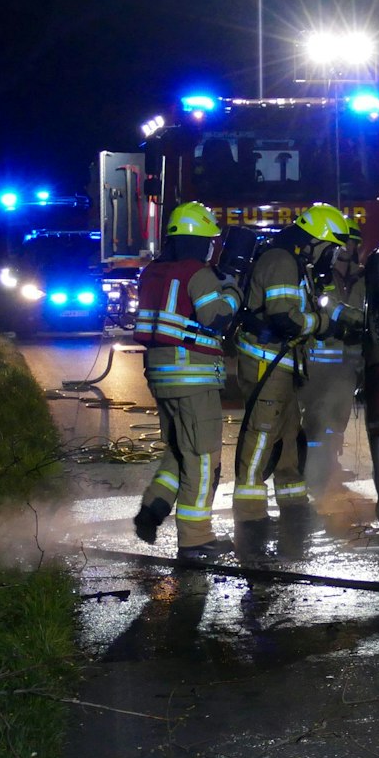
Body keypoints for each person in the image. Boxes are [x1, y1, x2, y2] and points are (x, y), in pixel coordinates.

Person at [233, 202, 353, 551]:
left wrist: (342, 320)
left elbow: (307, 310)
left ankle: (292, 501)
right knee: (262, 433)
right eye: (329, 247)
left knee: (288, 435)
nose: (330, 255)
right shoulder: (281, 261)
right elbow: (285, 318)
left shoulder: (294, 263)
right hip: (266, 361)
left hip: (284, 363)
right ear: (315, 240)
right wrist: (323, 325)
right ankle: (250, 509)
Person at [131, 202, 240, 560]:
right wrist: (234, 291)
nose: (213, 246)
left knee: (180, 451)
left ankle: (153, 509)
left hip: (160, 377)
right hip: (194, 378)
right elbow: (216, 317)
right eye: (210, 239)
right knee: (204, 457)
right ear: (200, 241)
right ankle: (195, 540)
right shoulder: (198, 272)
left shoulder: (152, 272)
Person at [302, 218, 367, 509]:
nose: (345, 247)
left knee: (337, 419)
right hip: (320, 361)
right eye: (342, 242)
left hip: (349, 363)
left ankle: (330, 463)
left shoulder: (364, 278)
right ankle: (314, 469)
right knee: (316, 417)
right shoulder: (320, 277)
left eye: (350, 242)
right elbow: (325, 306)